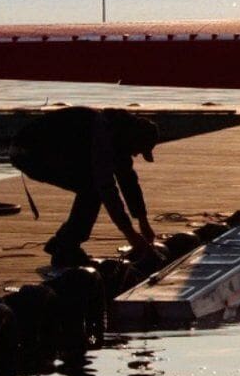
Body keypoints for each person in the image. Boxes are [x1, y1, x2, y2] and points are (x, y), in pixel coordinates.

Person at [15, 104, 158, 267]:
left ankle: (61, 242)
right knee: (93, 189)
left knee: (92, 185)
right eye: (138, 150)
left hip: (54, 151)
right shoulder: (103, 134)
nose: (135, 154)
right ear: (132, 138)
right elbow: (106, 188)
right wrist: (130, 234)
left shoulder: (120, 136)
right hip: (28, 152)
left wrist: (142, 220)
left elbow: (128, 181)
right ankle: (67, 249)